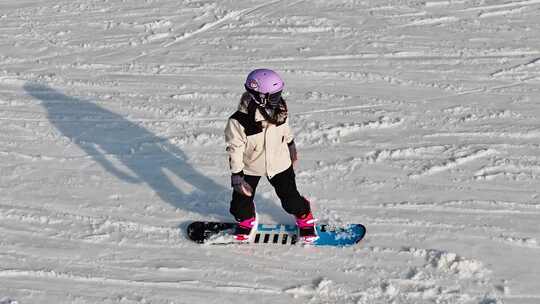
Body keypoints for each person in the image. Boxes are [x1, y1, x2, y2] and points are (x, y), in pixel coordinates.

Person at [224, 68, 317, 243]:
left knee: (290, 200)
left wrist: (290, 144)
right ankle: (246, 219)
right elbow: (234, 149)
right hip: (250, 165)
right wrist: (237, 175)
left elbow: (285, 128)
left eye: (278, 94)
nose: (278, 98)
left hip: (280, 162)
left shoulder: (280, 109)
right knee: (240, 203)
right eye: (273, 96)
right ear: (260, 96)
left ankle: (304, 215)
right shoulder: (239, 121)